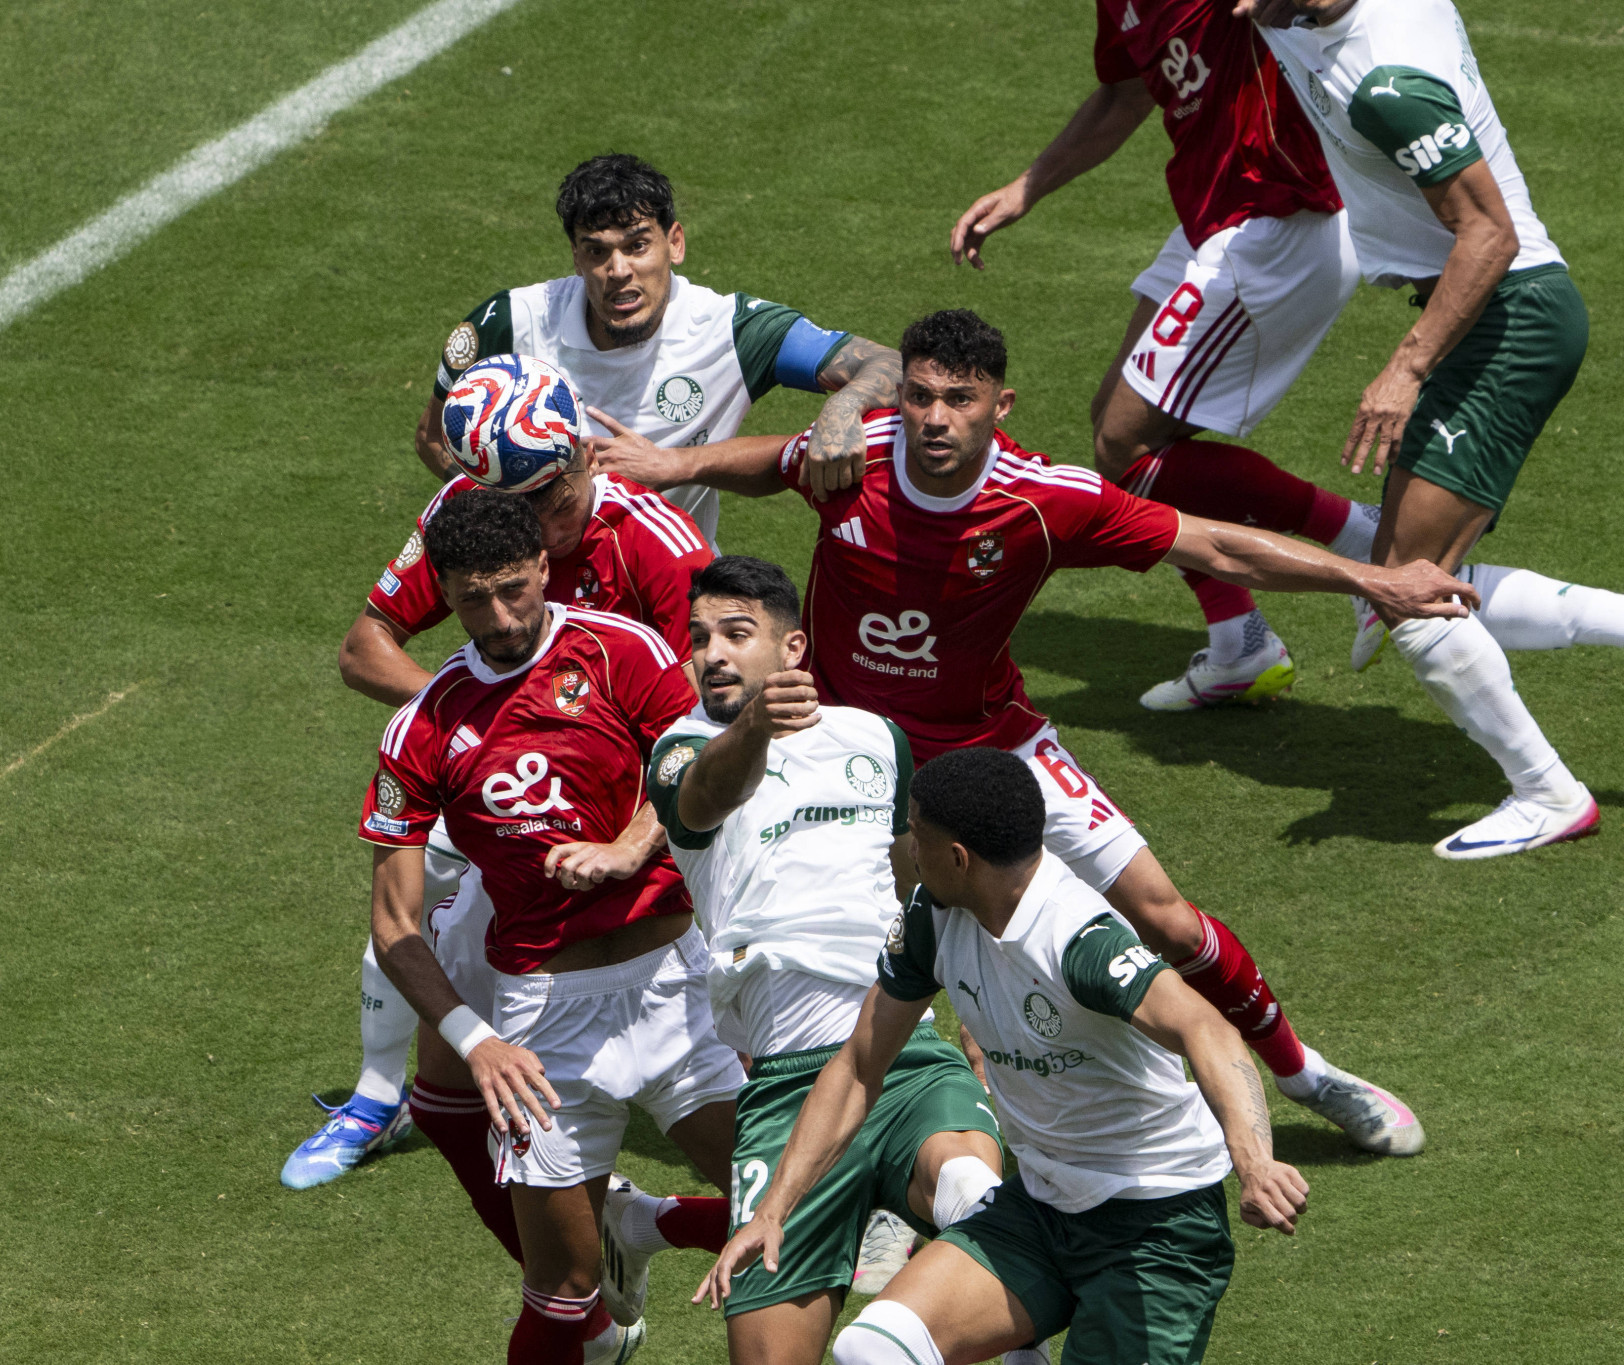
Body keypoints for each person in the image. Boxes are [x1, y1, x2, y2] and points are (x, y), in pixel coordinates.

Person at [594, 307, 1477, 1154]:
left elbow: (1214, 547)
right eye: (920, 396)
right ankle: (901, 1143)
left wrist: (1374, 581)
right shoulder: (854, 456)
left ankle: (1304, 1074)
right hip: (855, 758)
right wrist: (673, 465)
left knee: (1165, 918)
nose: (936, 419)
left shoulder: (1043, 500)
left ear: (1000, 405)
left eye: (960, 399)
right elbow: (774, 460)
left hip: (993, 743)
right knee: (853, 951)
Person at [703, 747, 1307, 1365]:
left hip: (1156, 1228)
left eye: (917, 832)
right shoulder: (934, 918)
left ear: (958, 858)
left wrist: (1254, 1162)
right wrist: (774, 1210)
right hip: (1040, 1211)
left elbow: (1206, 1027)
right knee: (874, 1348)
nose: (909, 847)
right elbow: (861, 1066)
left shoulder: (1076, 938)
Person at [285, 354, 711, 1195]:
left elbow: (697, 717)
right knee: (420, 894)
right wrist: (482, 728)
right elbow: (363, 647)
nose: (540, 531)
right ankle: (381, 1096)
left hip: (654, 795)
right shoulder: (474, 517)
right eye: (516, 512)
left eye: (552, 506)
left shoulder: (659, 546)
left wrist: (588, 771)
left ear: (585, 455)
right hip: (526, 795)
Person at [603, 554, 1026, 1365]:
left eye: (736, 633)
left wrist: (977, 1014)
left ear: (793, 647)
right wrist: (756, 725)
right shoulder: (680, 749)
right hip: (785, 1087)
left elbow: (923, 887)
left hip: (900, 1052)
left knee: (976, 1191)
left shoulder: (875, 738)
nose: (712, 653)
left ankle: (1019, 1345)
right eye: (698, 639)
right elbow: (704, 801)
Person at [361, 487, 745, 1364]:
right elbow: (394, 923)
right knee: (565, 1291)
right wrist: (476, 1039)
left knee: (783, 1206)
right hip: (543, 1022)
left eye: (511, 588)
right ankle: (637, 1231)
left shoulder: (624, 652)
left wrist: (628, 844)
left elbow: (697, 773)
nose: (496, 616)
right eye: (469, 598)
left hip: (674, 991)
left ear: (543, 565)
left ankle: (655, 1223)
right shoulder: (423, 727)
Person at [1241, 0, 1600, 859]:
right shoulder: (1291, 10)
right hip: (1488, 313)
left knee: (1409, 593)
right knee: (1419, 574)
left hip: (1505, 317)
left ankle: (1547, 793)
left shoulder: (1389, 82)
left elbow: (1490, 233)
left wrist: (1405, 368)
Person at [950, 0, 1383, 710]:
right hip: (1212, 216)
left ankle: (1361, 536)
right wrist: (1026, 188)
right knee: (1117, 433)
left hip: (1279, 217)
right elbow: (1125, 92)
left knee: (1126, 445)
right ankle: (1241, 640)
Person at [415, 153, 905, 544]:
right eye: (596, 251)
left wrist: (843, 404)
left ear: (675, 244)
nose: (618, 269)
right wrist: (518, 514)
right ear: (576, 258)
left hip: (671, 603)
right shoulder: (510, 324)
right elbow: (434, 437)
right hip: (544, 607)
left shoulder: (731, 331)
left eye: (637, 245)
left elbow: (892, 367)